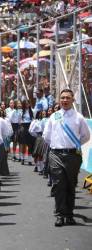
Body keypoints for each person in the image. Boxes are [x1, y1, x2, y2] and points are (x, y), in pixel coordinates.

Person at [43, 89, 90, 227]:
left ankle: (69, 214)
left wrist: (74, 145)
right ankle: (59, 215)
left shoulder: (79, 117)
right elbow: (46, 135)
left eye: (67, 98)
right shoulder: (54, 116)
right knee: (58, 185)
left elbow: (86, 136)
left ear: (72, 100)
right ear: (59, 100)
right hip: (56, 154)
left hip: (73, 155)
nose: (64, 100)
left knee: (71, 184)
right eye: (62, 97)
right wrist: (58, 144)